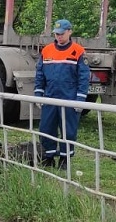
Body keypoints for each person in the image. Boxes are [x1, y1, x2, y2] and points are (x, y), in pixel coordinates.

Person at [34, 19, 90, 169]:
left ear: (70, 32)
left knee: (68, 131)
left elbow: (84, 77)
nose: (59, 36)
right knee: (46, 129)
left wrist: (80, 99)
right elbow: (40, 74)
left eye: (62, 33)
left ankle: (65, 159)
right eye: (56, 34)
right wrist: (38, 94)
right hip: (50, 97)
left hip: (69, 98)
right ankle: (48, 156)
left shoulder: (78, 51)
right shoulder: (46, 51)